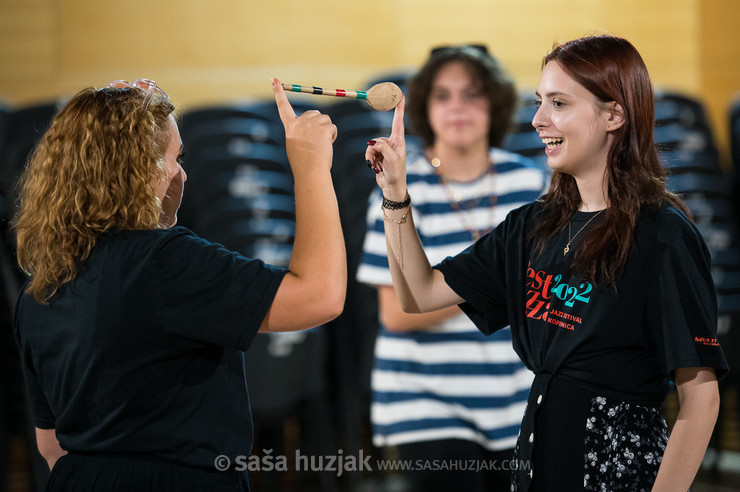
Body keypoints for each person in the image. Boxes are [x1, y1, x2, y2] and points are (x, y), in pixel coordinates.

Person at [366, 35, 728, 491]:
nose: (538, 120)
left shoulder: (664, 234)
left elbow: (700, 398)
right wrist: (396, 195)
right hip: (536, 461)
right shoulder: (532, 225)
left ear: (613, 115)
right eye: (540, 102)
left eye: (558, 103)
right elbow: (419, 294)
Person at [11, 78, 346, 491]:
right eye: (175, 158)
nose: (182, 175)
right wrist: (311, 166)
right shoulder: (163, 260)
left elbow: (51, 446)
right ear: (140, 170)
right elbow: (320, 296)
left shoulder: (39, 291)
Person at [357, 45, 546, 491]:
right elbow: (396, 314)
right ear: (425, 107)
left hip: (516, 394)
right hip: (424, 399)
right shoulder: (395, 188)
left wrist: (460, 287)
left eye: (472, 94)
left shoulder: (533, 182)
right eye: (443, 95)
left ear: (495, 105)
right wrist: (497, 287)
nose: (458, 106)